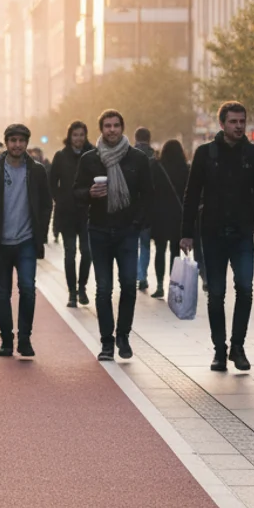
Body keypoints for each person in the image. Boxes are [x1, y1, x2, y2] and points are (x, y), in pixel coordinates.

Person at [180, 102, 254, 372]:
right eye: (233, 121)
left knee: (245, 288)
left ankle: (238, 347)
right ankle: (219, 350)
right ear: (222, 124)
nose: (239, 126)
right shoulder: (205, 153)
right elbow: (191, 194)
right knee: (216, 292)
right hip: (212, 234)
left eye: (242, 121)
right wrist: (186, 233)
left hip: (242, 233)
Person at [74, 110, 154, 362]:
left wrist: (136, 223)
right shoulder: (89, 159)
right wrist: (89, 193)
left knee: (129, 285)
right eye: (107, 126)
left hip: (127, 231)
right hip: (98, 229)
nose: (111, 130)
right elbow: (75, 192)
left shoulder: (137, 158)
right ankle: (107, 342)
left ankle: (123, 336)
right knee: (103, 288)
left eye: (116, 125)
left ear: (122, 127)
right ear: (101, 129)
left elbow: (148, 194)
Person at [0, 124, 52, 357]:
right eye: (13, 140)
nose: (17, 145)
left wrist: (40, 234)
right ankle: (6, 340)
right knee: (2, 293)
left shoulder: (37, 171)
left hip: (27, 241)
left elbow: (46, 204)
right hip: (0, 242)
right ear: (6, 142)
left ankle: (25, 339)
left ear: (26, 143)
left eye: (21, 141)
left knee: (28, 289)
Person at [49, 122, 92, 307]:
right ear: (69, 136)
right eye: (75, 135)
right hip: (67, 212)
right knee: (70, 252)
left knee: (87, 252)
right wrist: (59, 198)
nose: (78, 138)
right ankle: (72, 293)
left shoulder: (92, 155)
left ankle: (82, 287)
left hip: (88, 211)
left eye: (81, 135)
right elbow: (52, 182)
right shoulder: (61, 156)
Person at [150, 140, 188, 299]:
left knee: (160, 250)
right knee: (175, 251)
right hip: (178, 216)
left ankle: (159, 285)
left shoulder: (157, 167)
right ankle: (173, 285)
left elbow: (150, 190)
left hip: (159, 214)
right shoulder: (185, 169)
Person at [132, 127, 156, 291]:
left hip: (131, 209)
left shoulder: (129, 155)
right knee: (145, 245)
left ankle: (134, 274)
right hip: (148, 209)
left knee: (133, 244)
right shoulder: (155, 157)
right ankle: (142, 277)